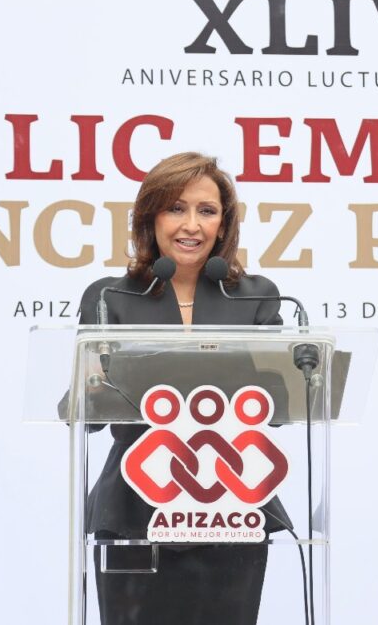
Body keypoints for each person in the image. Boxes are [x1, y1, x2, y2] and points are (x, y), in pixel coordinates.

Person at [75, 151, 287, 625]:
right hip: (133, 509)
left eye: (206, 211)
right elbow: (86, 416)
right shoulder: (110, 298)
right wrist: (90, 387)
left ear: (223, 224)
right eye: (175, 208)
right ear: (150, 217)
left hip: (233, 508)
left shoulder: (256, 297)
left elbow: (279, 408)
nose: (191, 225)